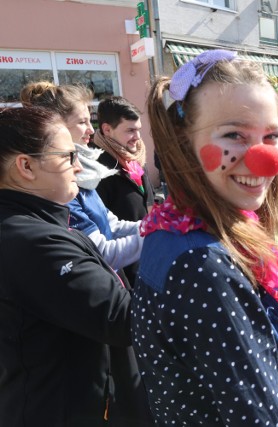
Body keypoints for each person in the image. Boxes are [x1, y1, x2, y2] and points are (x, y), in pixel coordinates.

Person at [136, 49, 278, 425]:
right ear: (183, 141)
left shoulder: (170, 228)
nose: (263, 158)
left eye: (271, 136)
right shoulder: (204, 264)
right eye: (234, 134)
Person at [0, 106, 148, 425]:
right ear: (25, 166)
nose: (79, 167)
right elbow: (122, 317)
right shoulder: (29, 239)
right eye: (68, 157)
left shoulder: (39, 220)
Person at [20, 82, 144, 283]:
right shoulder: (59, 189)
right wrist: (157, 236)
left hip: (111, 276)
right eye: (82, 122)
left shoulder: (86, 176)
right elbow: (100, 251)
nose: (90, 130)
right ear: (57, 127)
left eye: (90, 121)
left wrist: (156, 225)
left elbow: (111, 224)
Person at [93, 96, 154, 284]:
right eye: (130, 130)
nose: (137, 137)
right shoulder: (96, 172)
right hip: (125, 274)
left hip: (148, 260)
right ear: (107, 130)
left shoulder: (133, 159)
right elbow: (105, 230)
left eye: (138, 130)